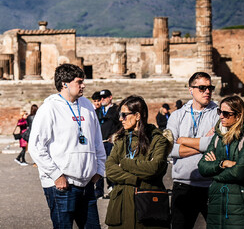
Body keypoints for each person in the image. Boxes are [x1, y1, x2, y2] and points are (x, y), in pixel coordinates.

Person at [28, 63, 106, 229]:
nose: (83, 85)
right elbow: (36, 147)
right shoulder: (49, 108)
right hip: (61, 186)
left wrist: (99, 170)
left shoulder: (87, 106)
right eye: (79, 82)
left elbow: (97, 140)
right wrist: (57, 175)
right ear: (64, 83)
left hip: (87, 185)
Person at [198, 95, 244, 228]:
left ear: (238, 115)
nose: (221, 116)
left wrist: (215, 172)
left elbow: (239, 172)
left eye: (226, 113)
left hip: (242, 206)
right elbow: (202, 167)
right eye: (220, 112)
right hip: (217, 205)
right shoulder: (218, 137)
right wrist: (223, 164)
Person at [105, 95, 170, 228]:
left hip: (147, 208)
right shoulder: (120, 140)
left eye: (124, 115)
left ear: (138, 116)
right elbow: (110, 170)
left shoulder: (158, 140)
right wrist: (136, 178)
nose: (120, 119)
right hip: (121, 210)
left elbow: (154, 168)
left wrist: (124, 163)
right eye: (119, 114)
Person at [166, 71, 219, 229]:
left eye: (210, 87)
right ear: (191, 90)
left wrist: (183, 141)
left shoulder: (218, 114)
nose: (207, 91)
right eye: (202, 88)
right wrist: (203, 145)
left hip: (211, 185)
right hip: (183, 184)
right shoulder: (177, 116)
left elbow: (216, 145)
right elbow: (168, 148)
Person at [91, 90, 121, 199]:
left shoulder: (116, 110)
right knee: (98, 165)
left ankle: (112, 186)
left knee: (110, 165)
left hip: (110, 142)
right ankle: (98, 190)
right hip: (99, 142)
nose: (102, 100)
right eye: (101, 98)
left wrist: (116, 136)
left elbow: (120, 125)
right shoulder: (98, 111)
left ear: (110, 97)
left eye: (104, 98)